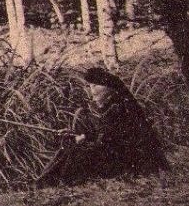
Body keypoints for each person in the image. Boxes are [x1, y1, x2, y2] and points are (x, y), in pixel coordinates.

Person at [36, 66, 167, 186]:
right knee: (71, 146)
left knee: (76, 150)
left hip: (129, 159)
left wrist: (82, 139)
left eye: (95, 86)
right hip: (122, 153)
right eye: (90, 86)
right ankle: (47, 183)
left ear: (108, 88)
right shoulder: (115, 103)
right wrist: (81, 135)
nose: (92, 91)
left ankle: (54, 184)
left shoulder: (118, 107)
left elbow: (112, 138)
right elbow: (107, 132)